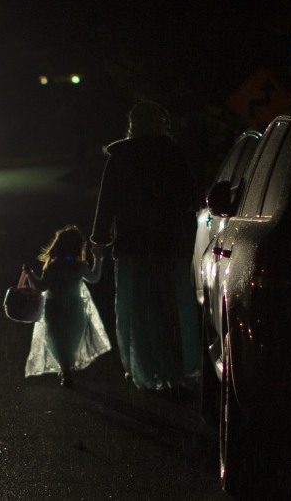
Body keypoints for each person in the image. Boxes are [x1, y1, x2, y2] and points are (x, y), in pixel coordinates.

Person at [90, 100, 199, 391]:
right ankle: (173, 369)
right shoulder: (171, 153)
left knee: (137, 308)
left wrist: (99, 237)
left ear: (132, 125)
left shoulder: (121, 156)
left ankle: (146, 368)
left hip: (132, 242)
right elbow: (189, 198)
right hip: (166, 241)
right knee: (168, 305)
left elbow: (107, 201)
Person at [23, 225, 111, 387]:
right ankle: (67, 368)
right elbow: (95, 278)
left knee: (58, 341)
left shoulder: (52, 266)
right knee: (71, 340)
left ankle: (65, 370)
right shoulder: (79, 266)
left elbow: (41, 286)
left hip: (54, 309)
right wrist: (98, 259)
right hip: (74, 309)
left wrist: (30, 273)